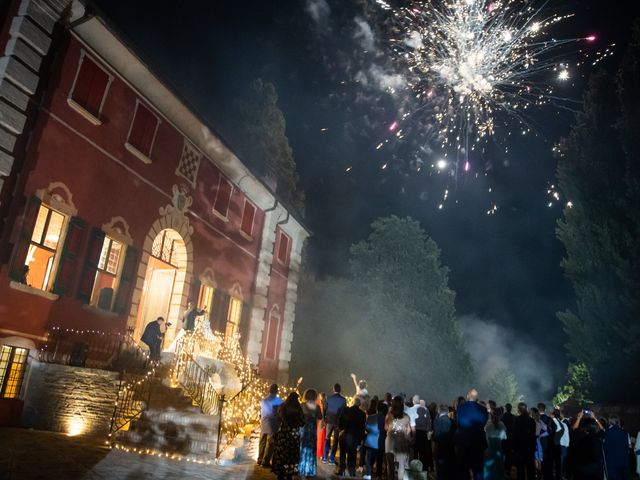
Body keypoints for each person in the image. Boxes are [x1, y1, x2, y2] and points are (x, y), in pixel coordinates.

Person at [454, 388, 488, 480]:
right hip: (478, 443)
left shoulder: (460, 409)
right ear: (476, 397)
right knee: (478, 470)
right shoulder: (483, 409)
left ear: (468, 396)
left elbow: (458, 423)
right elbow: (484, 423)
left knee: (463, 470)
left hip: (464, 443)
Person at [272, 392, 305, 480]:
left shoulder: (283, 406)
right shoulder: (298, 408)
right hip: (294, 434)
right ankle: (289, 473)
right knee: (291, 454)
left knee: (282, 452)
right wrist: (296, 423)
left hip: (284, 433)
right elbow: (302, 422)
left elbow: (279, 418)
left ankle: (281, 473)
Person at [567, 411, 605, 480]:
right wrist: (595, 418)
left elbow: (574, 429)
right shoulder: (597, 436)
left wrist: (579, 418)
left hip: (582, 468)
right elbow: (603, 430)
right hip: (595, 468)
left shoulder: (580, 435)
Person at [338, 396, 367, 477]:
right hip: (354, 437)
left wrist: (341, 429)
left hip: (345, 434)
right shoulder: (362, 414)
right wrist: (360, 440)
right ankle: (351, 471)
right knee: (352, 454)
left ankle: (342, 470)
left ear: (353, 402)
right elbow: (362, 429)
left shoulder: (346, 410)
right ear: (360, 404)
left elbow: (341, 422)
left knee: (343, 454)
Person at [386, 395, 412, 480]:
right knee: (401, 466)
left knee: (390, 467)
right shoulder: (407, 417)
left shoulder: (389, 416)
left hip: (390, 442)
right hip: (401, 443)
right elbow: (408, 432)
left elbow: (385, 428)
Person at [258, 383, 284, 468]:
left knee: (262, 442)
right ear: (277, 390)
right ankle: (265, 462)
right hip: (272, 423)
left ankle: (259, 459)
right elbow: (280, 412)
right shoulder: (278, 400)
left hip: (263, 422)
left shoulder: (264, 400)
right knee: (270, 443)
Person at [299, 389, 323, 478]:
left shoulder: (302, 405)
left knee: (303, 449)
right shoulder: (316, 407)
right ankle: (310, 470)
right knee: (311, 449)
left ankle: (302, 470)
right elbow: (320, 417)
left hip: (303, 429)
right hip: (312, 430)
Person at [323, 383, 347, 465]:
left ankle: (325, 457)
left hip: (329, 421)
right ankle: (332, 459)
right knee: (336, 440)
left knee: (327, 438)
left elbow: (325, 409)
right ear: (340, 390)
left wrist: (324, 420)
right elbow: (344, 413)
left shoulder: (328, 398)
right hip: (338, 422)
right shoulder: (343, 400)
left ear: (333, 389)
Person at [513, 402, 536, 480]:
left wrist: (514, 448)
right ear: (526, 409)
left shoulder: (517, 420)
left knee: (520, 469)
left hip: (519, 448)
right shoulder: (532, 420)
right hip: (529, 448)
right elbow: (533, 435)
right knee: (530, 469)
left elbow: (515, 435)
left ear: (519, 410)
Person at [603, 415, 630, 480]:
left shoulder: (608, 432)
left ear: (610, 422)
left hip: (612, 460)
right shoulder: (624, 432)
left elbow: (605, 446)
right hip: (623, 460)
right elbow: (626, 447)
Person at [433, 404, 456, 480]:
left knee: (441, 471)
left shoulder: (437, 421)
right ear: (447, 411)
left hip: (441, 448)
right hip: (451, 448)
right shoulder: (453, 421)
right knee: (450, 470)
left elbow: (436, 437)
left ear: (439, 411)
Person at [364, 397, 384, 480]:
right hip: (381, 441)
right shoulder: (385, 418)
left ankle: (368, 474)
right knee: (379, 460)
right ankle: (379, 475)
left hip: (371, 441)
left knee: (369, 459)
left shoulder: (370, 417)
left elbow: (366, 428)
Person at [484, 411, 507, 480]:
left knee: (489, 467)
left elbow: (486, 435)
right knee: (498, 466)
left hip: (489, 446)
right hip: (498, 447)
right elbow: (504, 437)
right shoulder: (502, 424)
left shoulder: (488, 425)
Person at [549, 408, 570, 480]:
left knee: (559, 465)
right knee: (559, 464)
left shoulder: (559, 423)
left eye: (550, 413)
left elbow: (560, 429)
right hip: (563, 446)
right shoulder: (563, 423)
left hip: (560, 446)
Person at [414, 399, 432, 471]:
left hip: (416, 433)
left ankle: (415, 468)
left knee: (416, 451)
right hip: (423, 433)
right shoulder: (426, 411)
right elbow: (429, 424)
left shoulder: (415, 411)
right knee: (423, 452)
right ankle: (424, 469)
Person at [531, 407, 548, 477]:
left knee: (535, 457)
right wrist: (541, 435)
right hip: (538, 440)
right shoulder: (540, 421)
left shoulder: (531, 421)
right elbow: (547, 431)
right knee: (539, 457)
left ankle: (536, 473)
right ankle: (539, 473)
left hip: (532, 440)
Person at [537, 403, 553, 480]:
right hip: (546, 441)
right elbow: (550, 431)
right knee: (545, 458)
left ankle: (538, 474)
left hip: (536, 441)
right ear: (545, 409)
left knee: (538, 458)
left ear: (538, 409)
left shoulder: (535, 418)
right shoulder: (549, 419)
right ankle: (545, 474)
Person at [502, 403, 516, 477]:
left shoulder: (503, 417)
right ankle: (508, 470)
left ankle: (503, 469)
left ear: (505, 408)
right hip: (511, 438)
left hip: (504, 438)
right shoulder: (513, 417)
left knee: (503, 453)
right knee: (509, 455)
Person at [316, 392, 327, 458]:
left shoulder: (319, 403)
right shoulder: (326, 403)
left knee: (320, 438)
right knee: (322, 438)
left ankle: (319, 453)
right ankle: (321, 453)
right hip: (324, 422)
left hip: (320, 422)